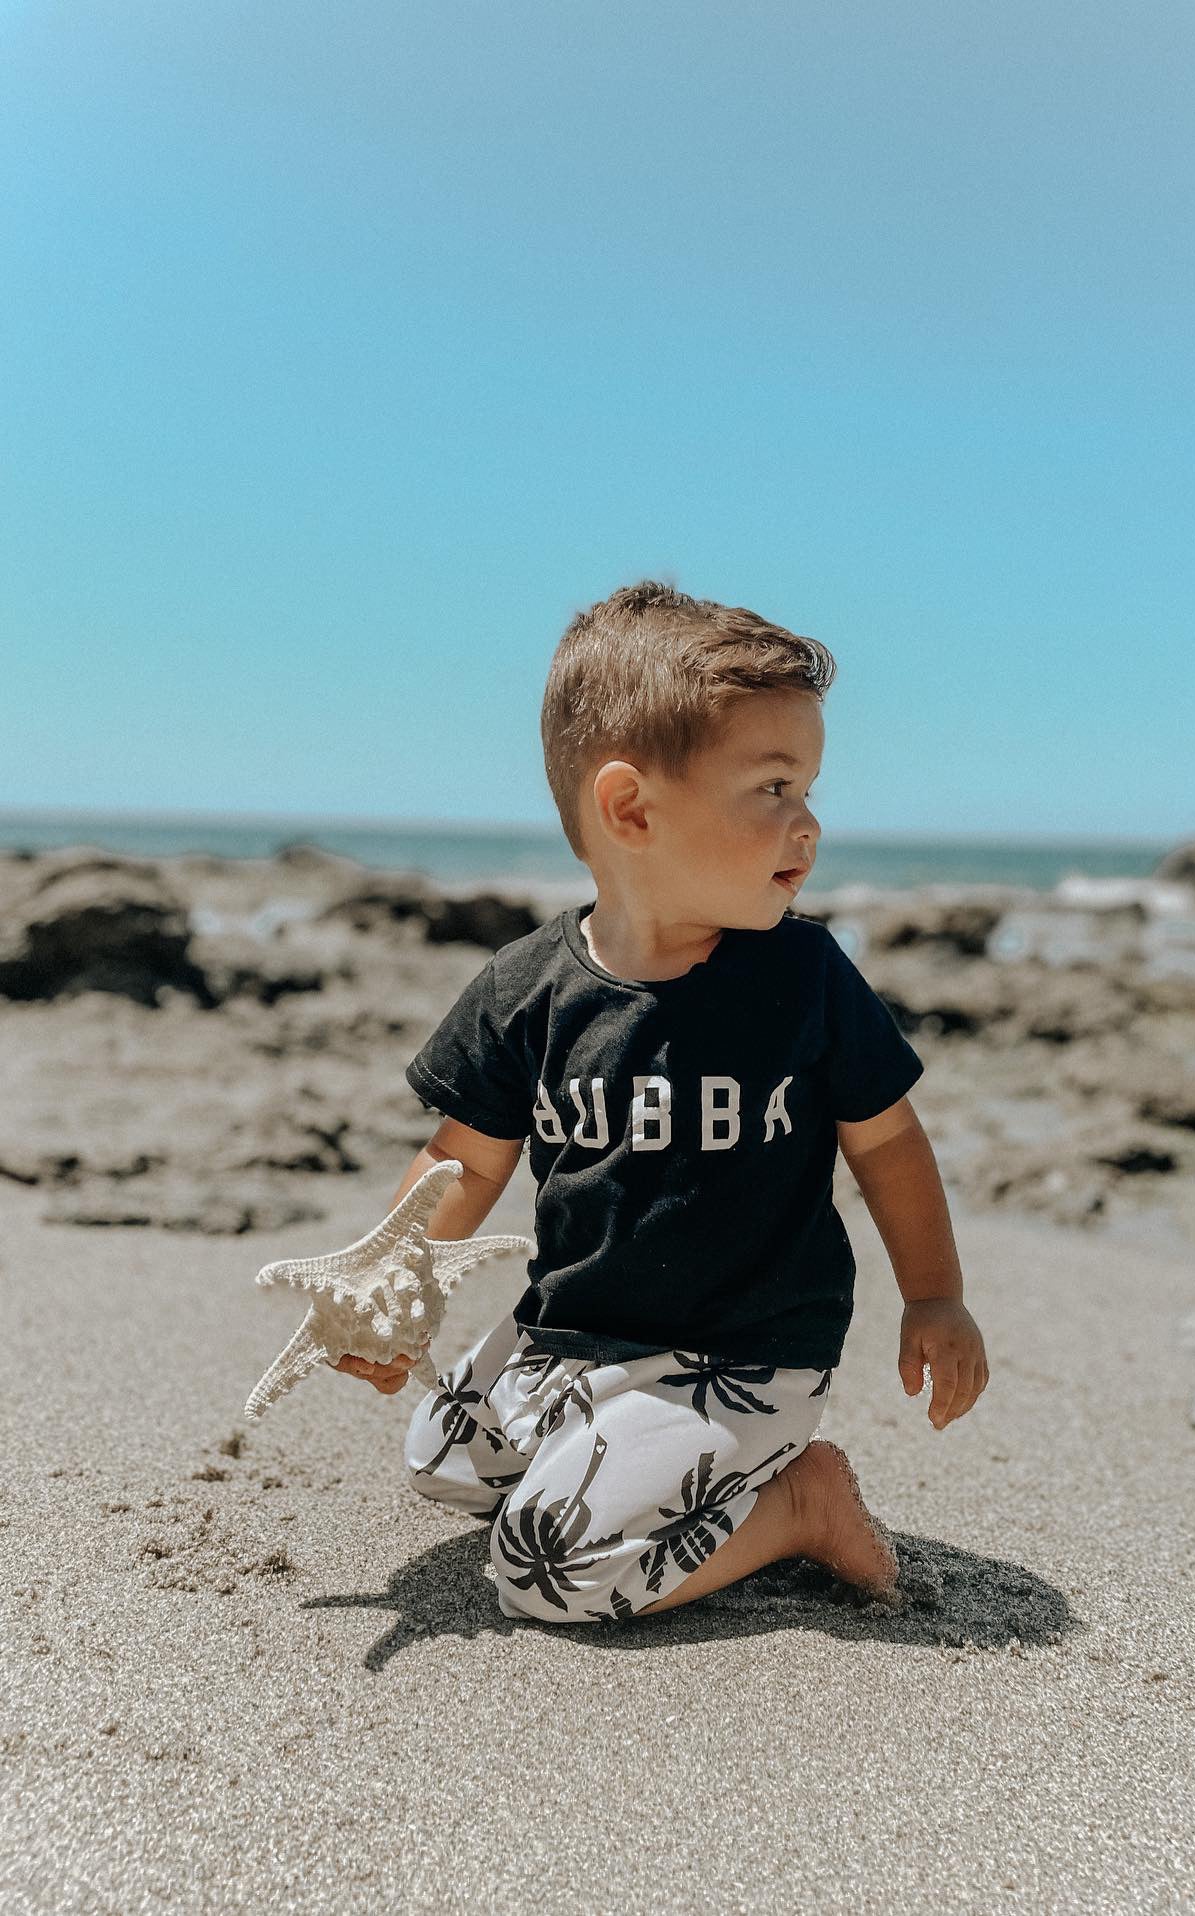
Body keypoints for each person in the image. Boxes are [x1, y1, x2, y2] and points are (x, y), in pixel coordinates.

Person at [333, 580, 989, 1624]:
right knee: (440, 1461)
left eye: (809, 786)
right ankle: (619, 1459)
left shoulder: (805, 978)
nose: (808, 822)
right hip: (574, 1334)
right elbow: (460, 1161)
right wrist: (389, 1282)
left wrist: (937, 1296)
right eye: (772, 787)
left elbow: (892, 1144)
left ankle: (796, 1502)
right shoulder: (525, 989)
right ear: (632, 808)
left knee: (545, 1573)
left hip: (742, 1355)